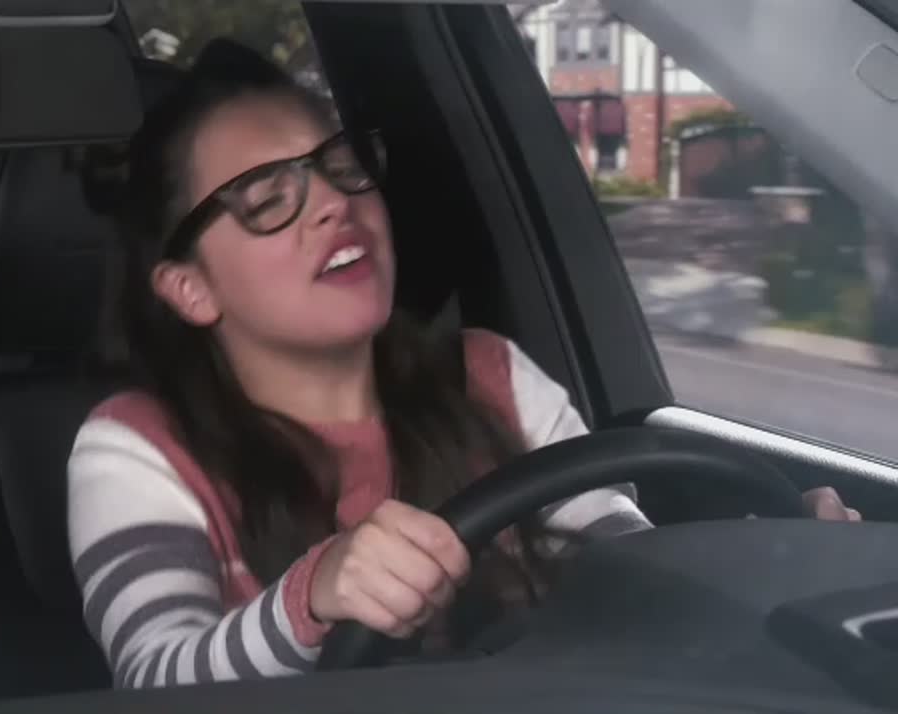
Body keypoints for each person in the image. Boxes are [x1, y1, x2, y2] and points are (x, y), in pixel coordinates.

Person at [67, 39, 861, 690]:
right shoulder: (134, 447)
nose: (335, 203)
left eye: (340, 163)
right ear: (190, 288)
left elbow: (626, 563)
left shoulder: (492, 374)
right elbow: (153, 678)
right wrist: (314, 596)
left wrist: (757, 561)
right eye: (267, 198)